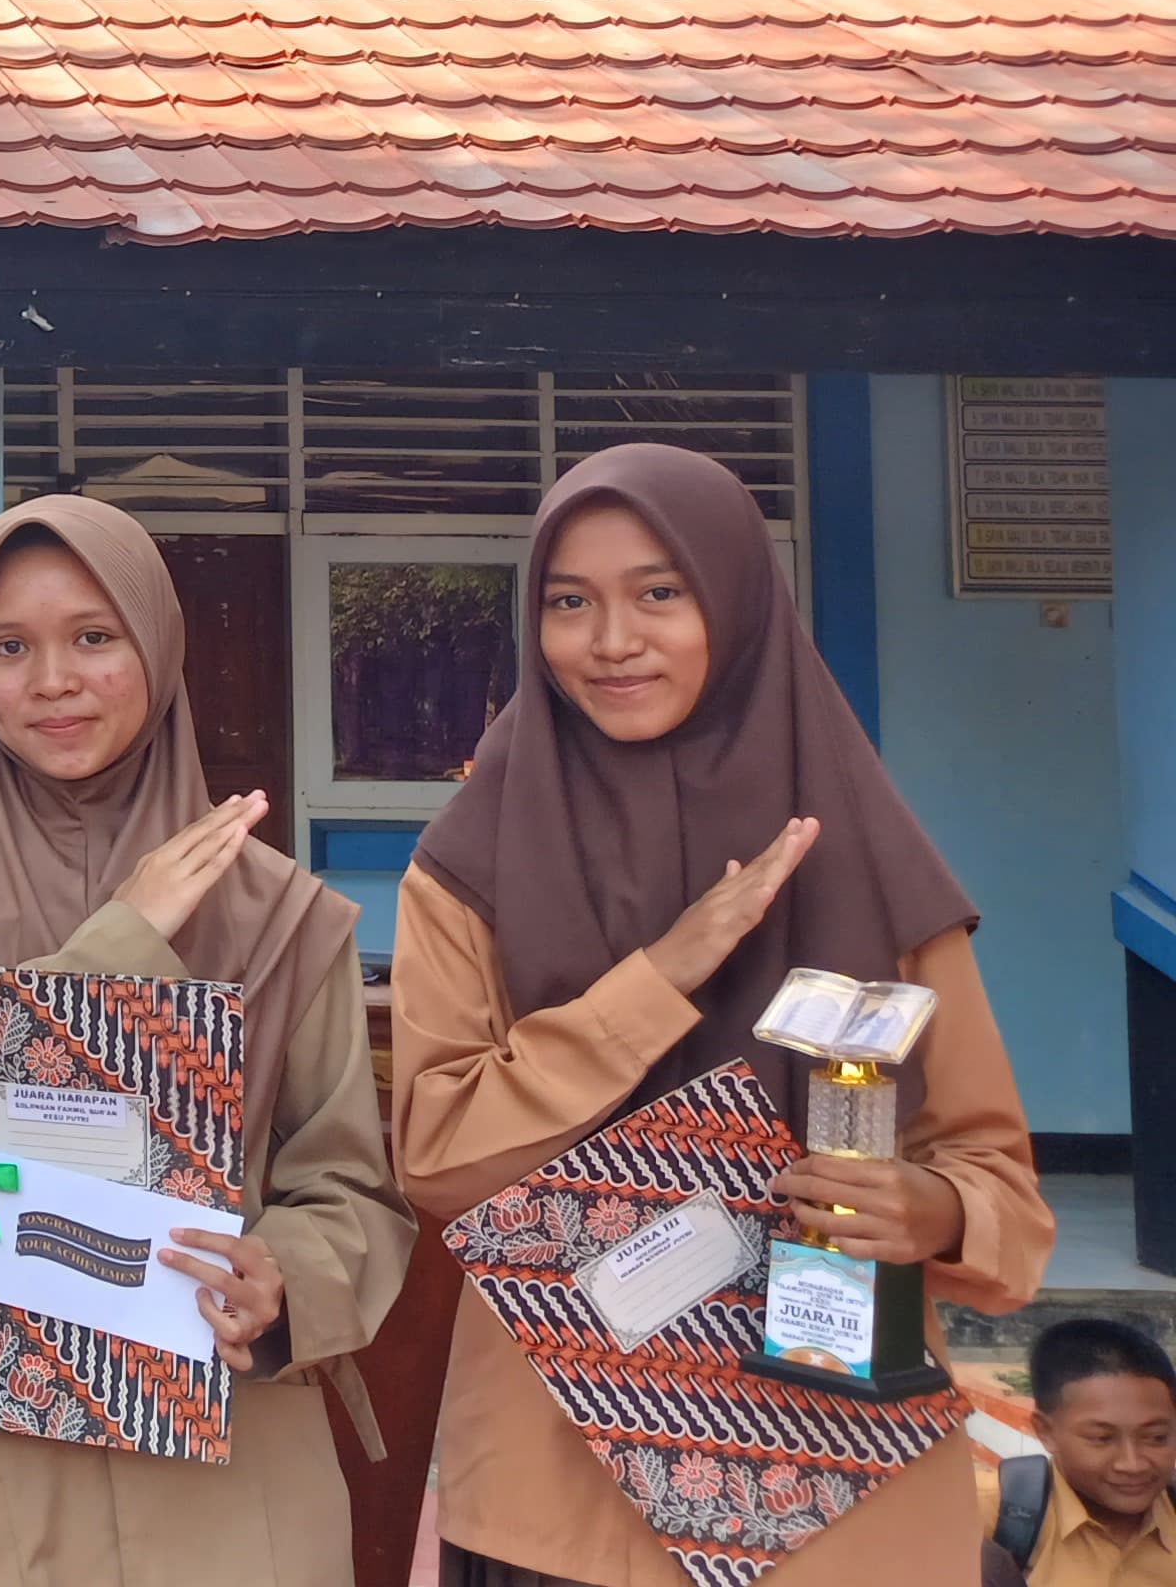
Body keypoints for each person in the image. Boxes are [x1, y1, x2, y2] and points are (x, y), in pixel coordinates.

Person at [392, 442, 1052, 1587]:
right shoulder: (471, 869)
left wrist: (936, 1209)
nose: (611, 640)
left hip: (832, 1481)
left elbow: (1004, 1195)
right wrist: (660, 977)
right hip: (561, 1486)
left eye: (660, 592)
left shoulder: (867, 866)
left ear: (739, 604)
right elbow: (441, 1160)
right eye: (568, 602)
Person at [0, 496, 411, 1586]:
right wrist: (125, 941)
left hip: (229, 1467)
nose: (53, 680)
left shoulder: (279, 911)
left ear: (159, 647)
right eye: (9, 647)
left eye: (94, 636)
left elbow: (348, 1189)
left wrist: (284, 1279)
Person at [992, 1318, 1176, 1586]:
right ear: (1045, 1431)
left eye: (1156, 1438)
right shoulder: (984, 1517)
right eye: (1102, 1438)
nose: (1132, 1464)